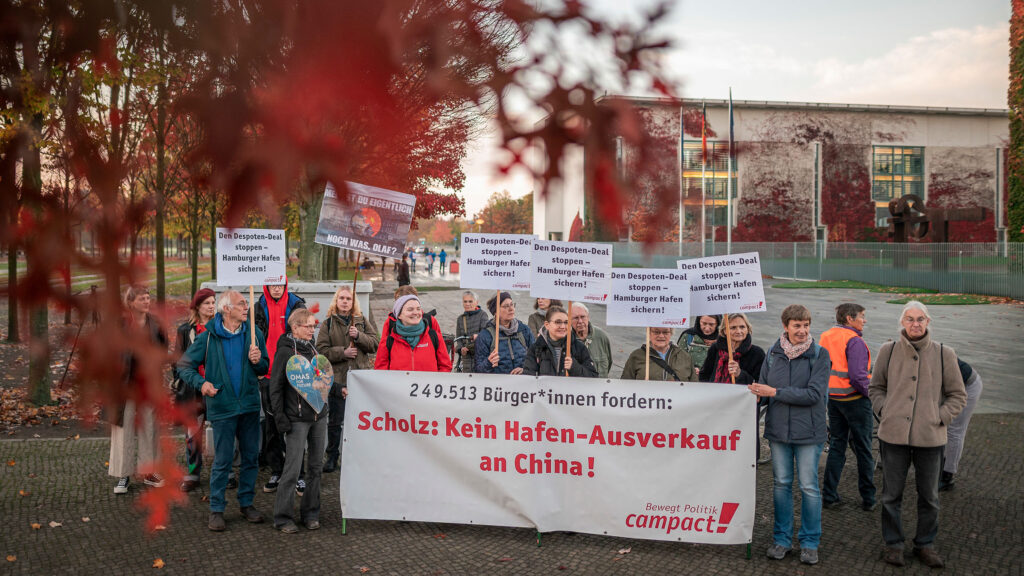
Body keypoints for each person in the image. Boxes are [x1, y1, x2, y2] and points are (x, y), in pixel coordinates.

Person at [870, 301, 966, 568]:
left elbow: (958, 395)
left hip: (930, 437)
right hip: (893, 435)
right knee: (891, 495)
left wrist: (940, 417)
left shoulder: (944, 353)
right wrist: (885, 410)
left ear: (928, 322)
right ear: (902, 322)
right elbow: (875, 387)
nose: (915, 324)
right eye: (910, 319)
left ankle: (925, 544)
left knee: (930, 496)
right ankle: (893, 544)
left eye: (920, 319)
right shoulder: (887, 351)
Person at [178, 290, 270, 532]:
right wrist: (202, 384)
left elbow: (265, 366)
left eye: (246, 304)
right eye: (241, 304)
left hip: (249, 405)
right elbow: (184, 366)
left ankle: (246, 503)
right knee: (223, 460)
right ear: (226, 309)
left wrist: (258, 359)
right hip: (223, 407)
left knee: (251, 457)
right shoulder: (209, 337)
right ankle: (216, 509)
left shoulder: (254, 333)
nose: (246, 307)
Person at [751, 304, 831, 566]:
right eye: (797, 325)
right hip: (778, 433)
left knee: (809, 487)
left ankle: (809, 542)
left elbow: (814, 394)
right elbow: (761, 391)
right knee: (781, 485)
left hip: (809, 433)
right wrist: (741, 386)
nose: (802, 330)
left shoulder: (820, 355)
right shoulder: (773, 354)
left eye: (806, 325)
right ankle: (782, 539)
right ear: (785, 326)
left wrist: (775, 392)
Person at [269, 309, 329, 533]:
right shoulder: (285, 352)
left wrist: (336, 391)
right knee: (292, 469)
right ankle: (283, 517)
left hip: (319, 416)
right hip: (297, 419)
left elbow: (323, 379)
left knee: (315, 467)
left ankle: (311, 512)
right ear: (295, 327)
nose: (312, 330)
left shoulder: (313, 349)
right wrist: (281, 419)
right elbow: (275, 388)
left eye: (314, 326)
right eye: (308, 326)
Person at [109, 285, 167, 494]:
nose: (146, 301)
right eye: (142, 298)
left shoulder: (155, 324)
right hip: (125, 386)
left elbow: (163, 349)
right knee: (123, 429)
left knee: (150, 428)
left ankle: (149, 471)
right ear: (131, 302)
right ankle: (123, 475)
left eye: (148, 297)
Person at [315, 285, 378, 473]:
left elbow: (374, 344)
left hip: (360, 379)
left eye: (348, 299)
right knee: (335, 421)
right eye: (341, 298)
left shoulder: (361, 321)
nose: (345, 301)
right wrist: (343, 352)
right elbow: (321, 351)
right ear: (336, 300)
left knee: (360, 421)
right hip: (338, 380)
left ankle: (358, 456)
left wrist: (358, 336)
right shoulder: (328, 324)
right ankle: (332, 456)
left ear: (353, 302)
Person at [819, 303, 876, 512]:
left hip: (833, 399)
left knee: (837, 446)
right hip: (855, 400)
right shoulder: (855, 341)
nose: (864, 320)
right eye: (862, 316)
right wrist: (873, 396)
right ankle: (869, 498)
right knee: (863, 449)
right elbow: (858, 377)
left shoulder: (826, 336)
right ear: (850, 319)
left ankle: (829, 495)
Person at [255, 279, 306, 494]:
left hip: (292, 372)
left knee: (295, 424)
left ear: (286, 285)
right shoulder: (258, 306)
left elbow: (305, 335)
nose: (277, 288)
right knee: (272, 423)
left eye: (280, 284)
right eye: (272, 285)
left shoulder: (296, 304)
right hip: (268, 372)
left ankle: (299, 473)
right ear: (266, 286)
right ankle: (276, 469)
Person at [173, 287, 217, 493]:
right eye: (207, 303)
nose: (211, 306)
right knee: (193, 433)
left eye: (213, 302)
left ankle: (225, 471)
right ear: (197, 307)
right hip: (193, 389)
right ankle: (193, 473)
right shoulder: (185, 330)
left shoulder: (221, 327)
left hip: (217, 387)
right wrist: (178, 383)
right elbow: (178, 360)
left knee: (222, 430)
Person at [374, 294, 452, 372]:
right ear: (399, 315)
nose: (415, 312)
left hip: (428, 384)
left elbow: (445, 366)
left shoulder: (434, 337)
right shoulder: (388, 341)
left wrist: (435, 382)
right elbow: (380, 372)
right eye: (410, 309)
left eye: (418, 309)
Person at [940, 357, 982, 491]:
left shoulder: (933, 357)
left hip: (968, 385)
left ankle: (948, 476)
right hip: (950, 386)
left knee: (954, 430)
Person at [522, 306, 598, 377]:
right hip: (546, 391)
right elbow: (528, 378)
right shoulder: (536, 348)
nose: (563, 326)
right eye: (558, 322)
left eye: (566, 322)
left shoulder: (579, 348)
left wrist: (575, 367)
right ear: (547, 325)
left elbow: (593, 377)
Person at [474, 292, 534, 375]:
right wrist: (488, 362)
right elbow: (478, 369)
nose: (511, 309)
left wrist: (525, 370)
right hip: (499, 386)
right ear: (495, 312)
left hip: (522, 384)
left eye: (512, 304)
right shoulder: (485, 336)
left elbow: (536, 359)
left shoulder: (524, 330)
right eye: (506, 306)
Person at [699, 313, 765, 385]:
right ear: (724, 331)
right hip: (715, 394)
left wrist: (739, 374)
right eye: (733, 328)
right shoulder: (715, 348)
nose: (738, 331)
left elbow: (760, 383)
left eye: (742, 327)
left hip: (741, 395)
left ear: (748, 329)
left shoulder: (757, 353)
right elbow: (704, 375)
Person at [619, 327, 693, 381]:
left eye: (665, 332)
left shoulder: (684, 357)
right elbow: (625, 386)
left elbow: (694, 387)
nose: (661, 336)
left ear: (671, 333)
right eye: (656, 332)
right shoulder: (637, 356)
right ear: (649, 333)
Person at [570, 304, 612, 378]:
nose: (580, 321)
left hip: (599, 387)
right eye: (576, 318)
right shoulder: (567, 339)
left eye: (583, 317)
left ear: (588, 317)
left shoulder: (601, 336)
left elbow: (609, 362)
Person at [454, 291, 490, 372]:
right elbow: (459, 339)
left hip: (480, 357)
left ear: (476, 302)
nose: (467, 304)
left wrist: (470, 345)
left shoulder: (483, 315)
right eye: (465, 301)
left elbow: (485, 336)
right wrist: (460, 349)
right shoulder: (460, 318)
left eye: (470, 301)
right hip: (466, 359)